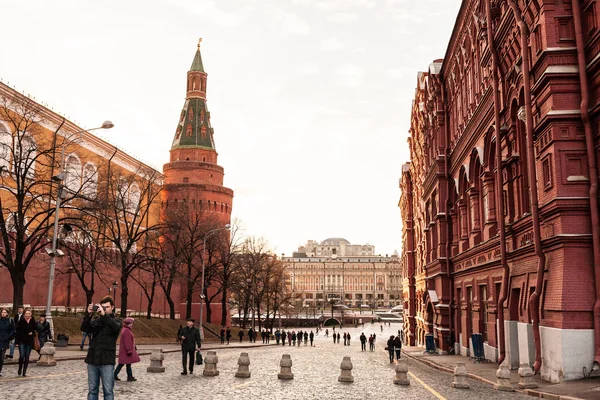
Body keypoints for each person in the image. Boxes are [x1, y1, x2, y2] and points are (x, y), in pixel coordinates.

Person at [81, 296, 122, 400]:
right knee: (92, 391)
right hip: (93, 359)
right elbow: (84, 328)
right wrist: (89, 314)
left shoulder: (116, 320)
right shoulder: (97, 320)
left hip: (107, 361)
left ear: (112, 307)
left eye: (107, 307)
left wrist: (104, 316)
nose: (104, 309)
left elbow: (115, 328)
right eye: (102, 307)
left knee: (108, 391)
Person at [15, 308, 36, 377]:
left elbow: (35, 330)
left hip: (29, 341)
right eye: (26, 314)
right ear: (24, 314)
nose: (27, 315)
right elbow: (17, 332)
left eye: (29, 314)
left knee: (27, 356)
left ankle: (24, 371)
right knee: (21, 356)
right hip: (22, 341)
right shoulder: (21, 321)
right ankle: (20, 368)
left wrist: (32, 333)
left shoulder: (33, 320)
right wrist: (17, 342)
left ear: (31, 314)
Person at [0, 308, 15, 377]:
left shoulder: (10, 321)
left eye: (4, 312)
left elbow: (12, 330)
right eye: (2, 312)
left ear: (7, 313)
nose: (3, 313)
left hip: (5, 341)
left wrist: (8, 336)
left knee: (1, 358)